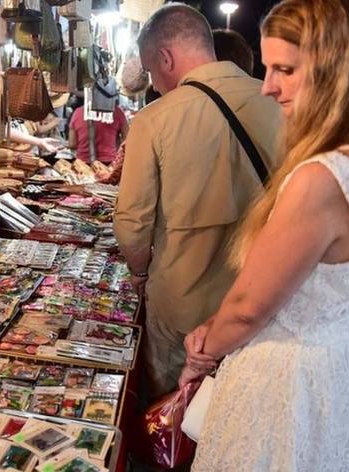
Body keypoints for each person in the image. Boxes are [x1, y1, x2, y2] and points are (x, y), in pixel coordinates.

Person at [179, 1, 349, 470]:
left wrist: (202, 353)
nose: (268, 86)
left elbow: (247, 308)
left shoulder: (323, 177)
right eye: (268, 67)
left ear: (337, 71)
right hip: (333, 362)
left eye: (285, 69)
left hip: (285, 377)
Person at [113, 3, 281, 401]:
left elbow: (131, 223)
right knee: (237, 408)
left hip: (181, 305)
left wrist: (139, 274)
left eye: (153, 71)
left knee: (172, 410)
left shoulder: (155, 120)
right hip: (261, 300)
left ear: (166, 57)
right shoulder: (281, 107)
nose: (154, 84)